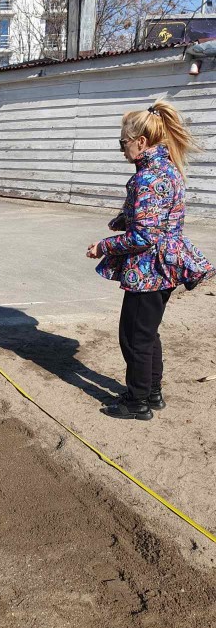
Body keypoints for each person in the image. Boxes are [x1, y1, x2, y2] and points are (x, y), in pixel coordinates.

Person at [87, 99, 216, 421]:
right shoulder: (164, 169)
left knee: (134, 336)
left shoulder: (148, 178)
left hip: (150, 268)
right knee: (146, 333)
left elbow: (146, 236)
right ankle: (151, 392)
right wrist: (121, 220)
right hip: (163, 264)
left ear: (140, 142)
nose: (121, 149)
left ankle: (137, 402)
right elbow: (154, 219)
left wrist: (104, 246)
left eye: (123, 143)